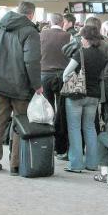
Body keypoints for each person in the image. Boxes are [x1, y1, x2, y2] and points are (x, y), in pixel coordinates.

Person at [0, 1, 42, 175]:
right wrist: (37, 85)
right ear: (31, 14)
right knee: (20, 122)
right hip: (20, 86)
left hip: (0, 84)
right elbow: (31, 61)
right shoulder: (30, 31)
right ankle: (16, 164)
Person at [62, 25, 108, 173]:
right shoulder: (102, 55)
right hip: (94, 96)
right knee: (89, 128)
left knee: (74, 128)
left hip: (77, 95)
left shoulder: (80, 54)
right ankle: (92, 163)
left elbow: (66, 74)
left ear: (87, 40)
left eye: (82, 37)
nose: (80, 40)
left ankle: (75, 164)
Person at [40, 13, 71, 159]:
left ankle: (47, 140)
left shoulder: (42, 35)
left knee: (47, 109)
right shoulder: (68, 36)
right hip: (62, 75)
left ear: (50, 22)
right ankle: (60, 143)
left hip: (45, 74)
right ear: (63, 22)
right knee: (61, 110)